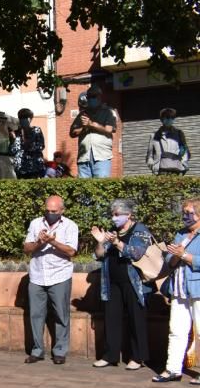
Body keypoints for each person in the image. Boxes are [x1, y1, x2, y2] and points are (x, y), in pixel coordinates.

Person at [90, 199, 152, 370]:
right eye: (112, 214)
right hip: (112, 283)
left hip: (134, 283)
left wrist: (117, 243)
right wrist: (101, 241)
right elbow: (99, 255)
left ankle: (138, 357)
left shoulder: (140, 230)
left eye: (117, 215)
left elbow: (137, 253)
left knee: (136, 319)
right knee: (112, 318)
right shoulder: (113, 231)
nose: (114, 218)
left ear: (129, 215)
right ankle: (110, 355)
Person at [23, 195, 79, 365]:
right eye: (47, 211)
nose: (50, 214)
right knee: (35, 314)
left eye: (54, 211)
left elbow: (71, 251)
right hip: (37, 275)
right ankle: (37, 350)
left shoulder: (70, 226)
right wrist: (39, 242)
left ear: (62, 211)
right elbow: (26, 248)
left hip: (60, 275)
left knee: (61, 315)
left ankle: (60, 351)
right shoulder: (35, 223)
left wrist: (53, 242)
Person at [153, 198, 200, 382]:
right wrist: (175, 256)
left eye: (189, 213)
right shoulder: (180, 234)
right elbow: (169, 262)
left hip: (197, 288)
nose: (185, 216)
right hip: (179, 288)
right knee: (176, 329)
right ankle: (173, 369)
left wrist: (185, 255)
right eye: (184, 213)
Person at [69, 85, 118, 178]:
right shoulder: (83, 114)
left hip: (101, 156)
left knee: (100, 188)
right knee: (84, 190)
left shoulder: (108, 112)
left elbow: (109, 129)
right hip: (84, 157)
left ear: (100, 97)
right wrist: (84, 128)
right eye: (89, 97)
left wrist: (91, 124)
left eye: (94, 96)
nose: (91, 99)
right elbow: (72, 132)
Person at [147, 108, 190, 175]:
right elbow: (150, 154)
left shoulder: (179, 134)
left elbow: (184, 149)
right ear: (162, 119)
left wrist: (184, 163)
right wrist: (151, 164)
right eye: (167, 117)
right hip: (159, 170)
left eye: (172, 118)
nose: (169, 119)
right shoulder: (154, 135)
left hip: (176, 169)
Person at [11, 108, 46, 179]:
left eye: (24, 118)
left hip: (34, 167)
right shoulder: (16, 133)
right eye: (20, 118)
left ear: (29, 119)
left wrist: (28, 144)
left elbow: (41, 146)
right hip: (20, 168)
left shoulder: (36, 130)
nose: (22, 121)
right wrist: (12, 139)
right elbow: (13, 150)